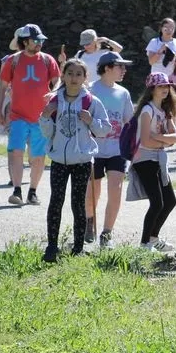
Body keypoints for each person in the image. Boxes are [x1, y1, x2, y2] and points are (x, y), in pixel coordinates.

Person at [38, 58, 111, 262]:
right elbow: (48, 133)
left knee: (78, 204)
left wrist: (91, 120)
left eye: (79, 74)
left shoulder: (91, 102)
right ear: (63, 75)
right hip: (59, 160)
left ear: (85, 78)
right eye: (70, 73)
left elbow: (105, 129)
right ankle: (52, 247)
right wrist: (44, 117)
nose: (74, 78)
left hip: (81, 160)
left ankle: (78, 248)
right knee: (56, 202)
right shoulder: (54, 101)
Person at [0, 24, 61, 206]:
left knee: (38, 157)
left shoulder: (48, 60)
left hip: (41, 117)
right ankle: (17, 190)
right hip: (17, 116)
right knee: (16, 152)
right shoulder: (13, 61)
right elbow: (2, 87)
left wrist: (53, 91)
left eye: (41, 40)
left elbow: (57, 82)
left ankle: (33, 191)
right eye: (36, 40)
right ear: (25, 42)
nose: (40, 43)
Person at [86, 52, 135, 248]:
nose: (124, 70)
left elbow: (129, 122)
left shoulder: (123, 93)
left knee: (115, 189)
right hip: (93, 150)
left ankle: (107, 233)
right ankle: (89, 222)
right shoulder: (89, 90)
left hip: (117, 150)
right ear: (107, 68)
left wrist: (134, 148)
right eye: (120, 66)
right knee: (92, 192)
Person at [133, 72, 176, 252]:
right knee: (157, 202)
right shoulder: (147, 110)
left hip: (158, 158)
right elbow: (145, 141)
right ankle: (145, 243)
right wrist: (164, 140)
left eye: (166, 86)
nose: (165, 89)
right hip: (144, 159)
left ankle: (153, 239)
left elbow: (175, 137)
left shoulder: (165, 111)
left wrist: (159, 137)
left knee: (170, 201)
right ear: (152, 89)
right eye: (160, 86)